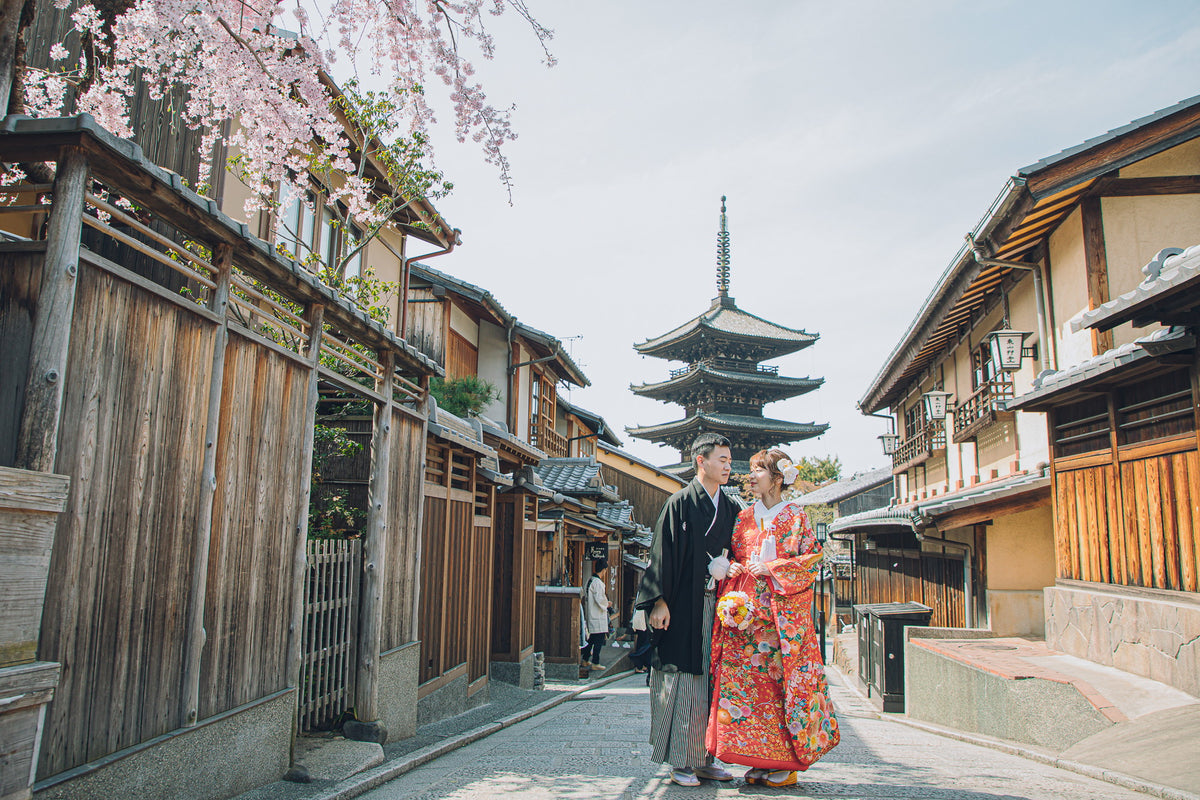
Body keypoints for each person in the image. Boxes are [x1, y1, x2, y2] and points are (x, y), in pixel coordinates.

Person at [705, 448, 840, 788]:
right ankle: (758, 758)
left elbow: (812, 561)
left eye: (758, 471)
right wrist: (733, 568)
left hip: (781, 622)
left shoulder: (796, 516)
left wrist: (773, 567)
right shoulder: (743, 517)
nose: (750, 476)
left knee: (782, 689)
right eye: (750, 470)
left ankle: (785, 762)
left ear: (778, 478)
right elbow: (734, 554)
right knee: (749, 691)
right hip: (747, 619)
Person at [635, 433, 738, 787]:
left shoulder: (731, 507)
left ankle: (707, 757)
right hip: (680, 607)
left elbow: (739, 551)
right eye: (721, 459)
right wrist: (658, 601)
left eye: (729, 460)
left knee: (713, 681)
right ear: (701, 461)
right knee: (682, 680)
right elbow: (660, 553)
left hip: (717, 606)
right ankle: (681, 759)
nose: (727, 466)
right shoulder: (679, 502)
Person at [581, 559, 611, 672]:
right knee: (598, 639)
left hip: (591, 613)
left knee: (592, 638)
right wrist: (607, 604)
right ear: (603, 570)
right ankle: (595, 662)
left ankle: (585, 659)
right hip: (597, 615)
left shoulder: (590, 580)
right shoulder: (598, 583)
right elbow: (600, 600)